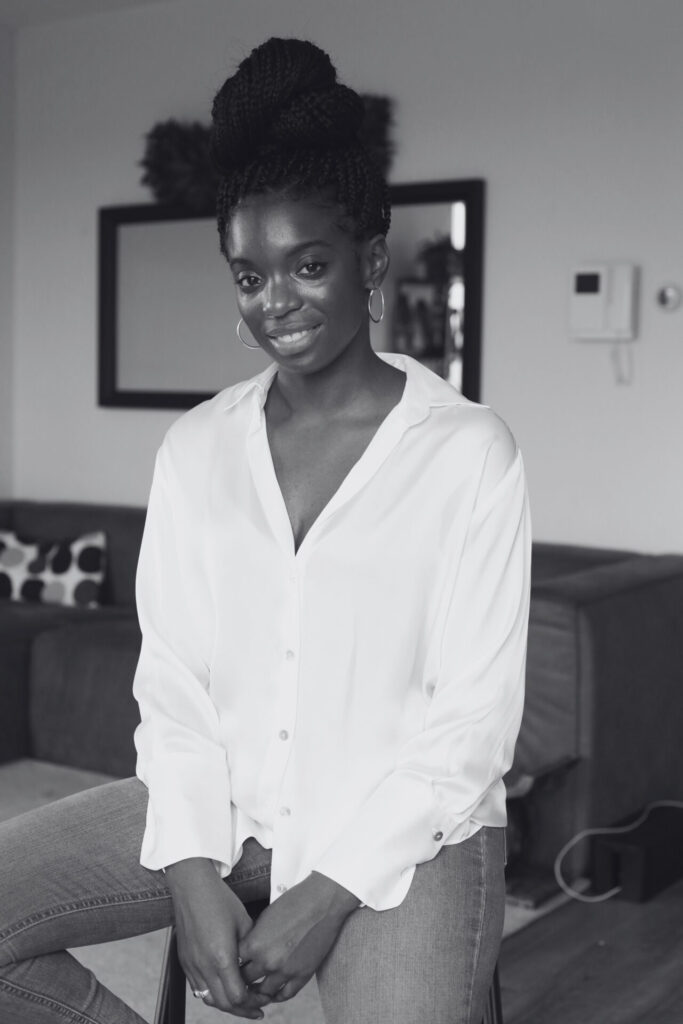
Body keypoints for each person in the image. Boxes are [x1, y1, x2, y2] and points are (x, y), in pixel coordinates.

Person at [0, 37, 531, 1024]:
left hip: (405, 832)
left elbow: (471, 725)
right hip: (228, 805)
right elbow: (174, 684)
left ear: (370, 260)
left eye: (308, 264)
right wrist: (190, 863)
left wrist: (324, 895)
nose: (275, 303)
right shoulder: (196, 449)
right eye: (248, 276)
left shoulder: (467, 452)